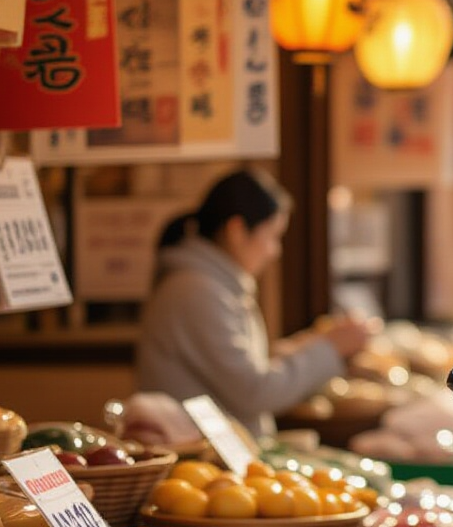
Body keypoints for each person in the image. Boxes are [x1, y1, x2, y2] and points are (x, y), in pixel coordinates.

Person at [136, 169, 368, 437]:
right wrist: (330, 348)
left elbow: (246, 371)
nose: (275, 251)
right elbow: (254, 390)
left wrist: (313, 343)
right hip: (202, 465)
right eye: (272, 236)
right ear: (236, 230)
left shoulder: (213, 284)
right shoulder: (197, 290)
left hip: (214, 459)